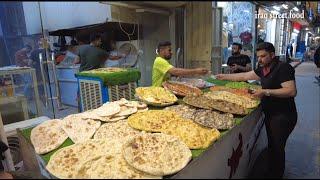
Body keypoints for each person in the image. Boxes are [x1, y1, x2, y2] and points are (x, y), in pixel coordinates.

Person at [216, 42, 297, 178]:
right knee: (272, 145)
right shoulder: (264, 68)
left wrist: (265, 92)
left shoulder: (283, 68)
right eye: (258, 56)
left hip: (283, 116)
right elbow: (244, 76)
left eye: (263, 56)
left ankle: (276, 174)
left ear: (272, 55)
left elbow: (291, 91)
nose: (259, 59)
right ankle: (271, 171)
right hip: (271, 114)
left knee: (277, 148)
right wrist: (223, 76)